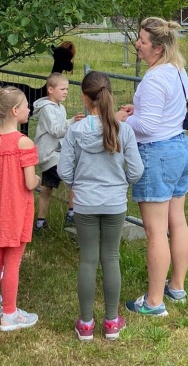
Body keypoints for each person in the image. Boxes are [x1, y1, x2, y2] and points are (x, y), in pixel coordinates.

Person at [115, 17, 188, 317]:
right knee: (178, 221)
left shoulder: (154, 78)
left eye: (143, 41)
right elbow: (164, 111)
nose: (137, 43)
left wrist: (122, 120)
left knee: (156, 231)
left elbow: (147, 126)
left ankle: (153, 302)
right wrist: (141, 110)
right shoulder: (177, 70)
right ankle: (177, 287)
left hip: (158, 154)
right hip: (181, 148)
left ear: (158, 48)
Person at [58, 71, 143, 341]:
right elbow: (137, 170)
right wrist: (122, 182)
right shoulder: (124, 130)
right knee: (111, 257)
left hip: (84, 203)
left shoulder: (75, 131)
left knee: (88, 259)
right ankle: (111, 322)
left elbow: (63, 170)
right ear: (110, 95)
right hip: (114, 203)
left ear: (85, 98)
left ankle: (85, 324)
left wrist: (77, 184)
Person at [0, 87, 41, 331]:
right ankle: (10, 314)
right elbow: (29, 182)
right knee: (12, 262)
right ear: (15, 111)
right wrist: (38, 182)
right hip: (16, 210)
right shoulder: (24, 142)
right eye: (26, 105)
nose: (29, 109)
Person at [33, 72, 84, 231]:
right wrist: (72, 122)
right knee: (74, 179)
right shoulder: (48, 109)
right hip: (51, 155)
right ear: (50, 89)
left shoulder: (59, 107)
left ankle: (40, 222)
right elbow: (56, 131)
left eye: (67, 89)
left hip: (53, 154)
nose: (65, 92)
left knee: (46, 188)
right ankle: (72, 214)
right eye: (62, 89)